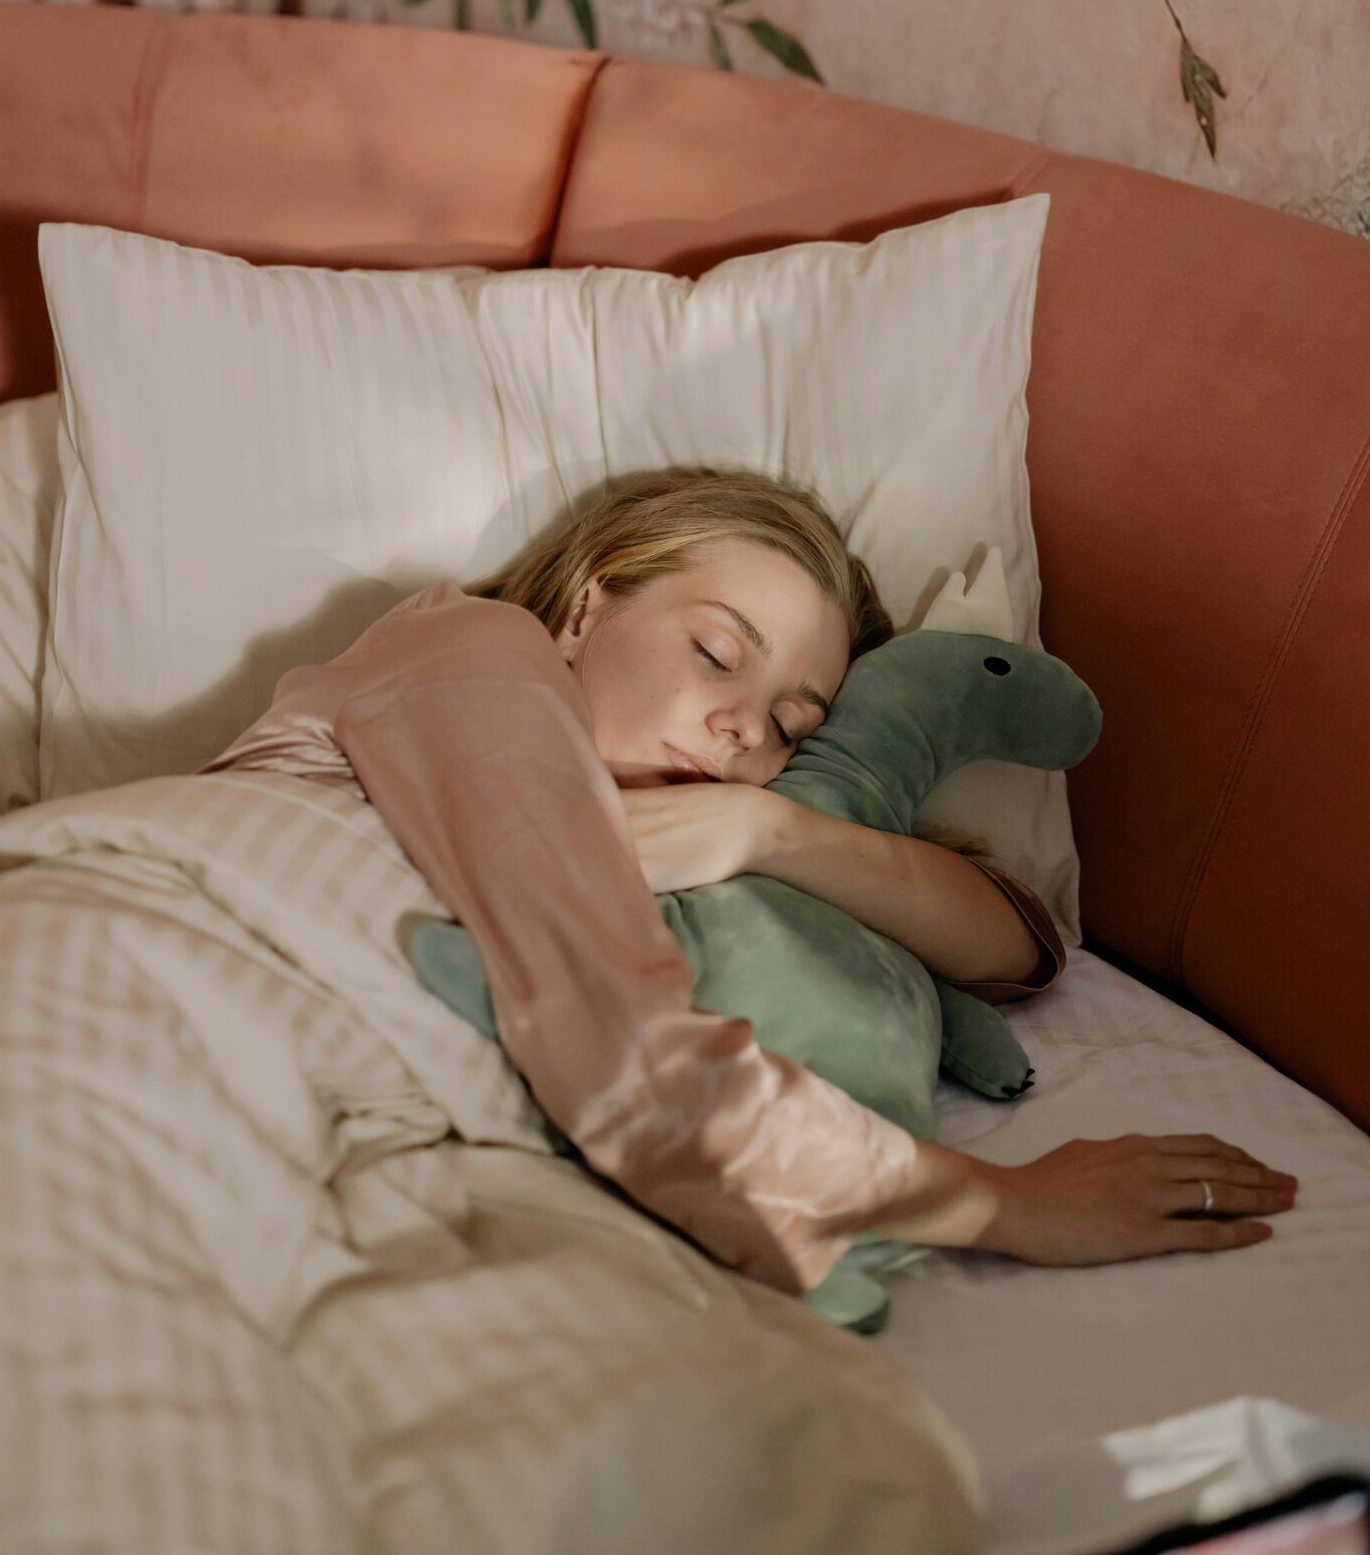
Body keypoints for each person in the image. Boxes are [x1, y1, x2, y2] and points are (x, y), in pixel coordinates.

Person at [202, 465, 1296, 1300]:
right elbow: (616, 1040)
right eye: (718, 655)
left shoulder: (711, 844)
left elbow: (1017, 952)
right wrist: (997, 1200)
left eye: (789, 725)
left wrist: (767, 829)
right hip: (164, 974)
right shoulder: (475, 648)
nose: (740, 726)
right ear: (586, 609)